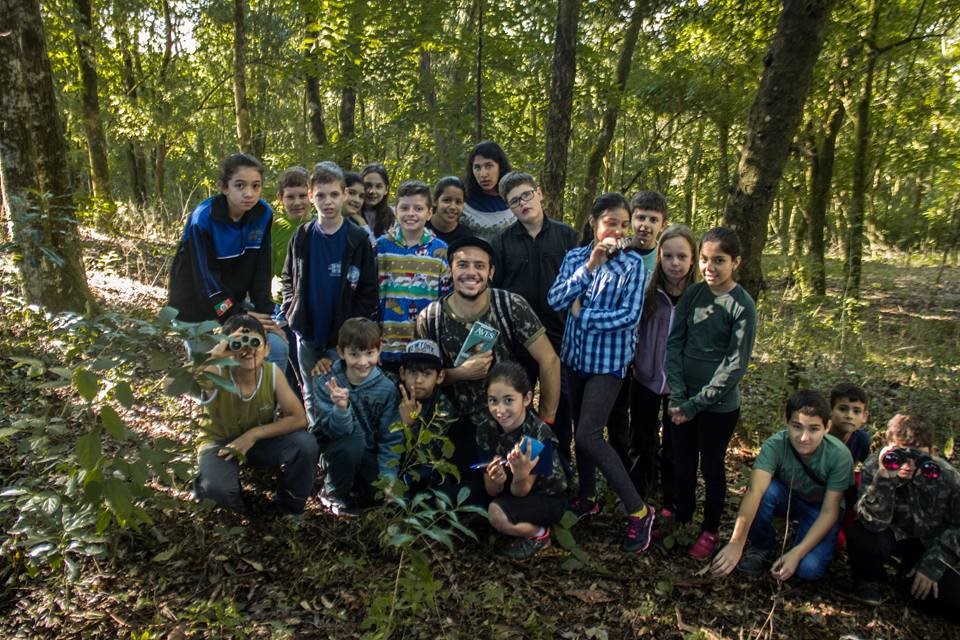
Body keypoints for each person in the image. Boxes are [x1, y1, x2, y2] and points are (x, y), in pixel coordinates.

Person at [547, 192, 654, 553]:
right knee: (580, 432)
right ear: (594, 223)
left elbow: (628, 317)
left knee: (591, 434)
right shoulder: (576, 258)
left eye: (624, 224)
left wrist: (582, 315)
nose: (619, 230)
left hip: (608, 365)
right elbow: (555, 299)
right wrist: (589, 267)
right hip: (574, 360)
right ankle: (589, 496)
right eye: (611, 221)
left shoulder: (633, 265)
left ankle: (639, 511)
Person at [415, 235, 560, 491]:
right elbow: (420, 384)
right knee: (451, 493)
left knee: (535, 489)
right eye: (462, 265)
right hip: (454, 425)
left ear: (491, 272)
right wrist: (459, 373)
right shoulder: (431, 318)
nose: (471, 272)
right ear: (450, 269)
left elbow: (549, 360)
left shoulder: (510, 305)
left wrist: (545, 419)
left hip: (507, 423)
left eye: (479, 266)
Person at [666, 227, 757, 560]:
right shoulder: (692, 295)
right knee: (683, 463)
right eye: (704, 259)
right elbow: (674, 342)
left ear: (736, 262)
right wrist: (677, 395)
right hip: (681, 401)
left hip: (717, 409)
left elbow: (735, 365)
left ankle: (709, 529)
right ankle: (683, 517)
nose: (709, 267)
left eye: (719, 261)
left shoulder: (742, 305)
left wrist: (694, 404)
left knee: (712, 467)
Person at [711, 390, 853, 581]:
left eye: (813, 429)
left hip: (819, 511)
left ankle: (800, 544)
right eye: (797, 426)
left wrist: (797, 553)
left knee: (808, 570)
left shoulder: (839, 455)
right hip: (789, 498)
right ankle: (761, 545)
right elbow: (755, 491)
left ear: (827, 427)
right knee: (767, 492)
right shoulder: (775, 446)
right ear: (786, 421)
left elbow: (830, 512)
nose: (804, 437)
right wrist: (737, 543)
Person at [167, 153, 288, 370]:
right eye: (240, 185)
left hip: (234, 301)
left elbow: (261, 269)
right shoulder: (203, 218)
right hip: (193, 305)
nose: (249, 193)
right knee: (206, 370)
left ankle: (262, 401)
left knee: (276, 347)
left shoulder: (263, 214)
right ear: (225, 188)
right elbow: (206, 282)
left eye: (256, 186)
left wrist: (265, 312)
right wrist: (239, 315)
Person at [492, 171, 579, 473]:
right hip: (520, 341)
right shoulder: (502, 242)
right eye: (515, 201)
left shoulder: (566, 236)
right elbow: (497, 291)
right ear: (509, 208)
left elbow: (583, 283)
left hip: (561, 335)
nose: (523, 203)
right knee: (519, 407)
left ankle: (561, 469)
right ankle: (523, 470)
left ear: (539, 193)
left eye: (527, 195)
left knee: (562, 407)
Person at [192, 314, 317, 516]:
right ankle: (227, 497)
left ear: (266, 348)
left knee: (305, 444)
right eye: (238, 344)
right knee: (218, 491)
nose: (247, 349)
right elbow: (171, 385)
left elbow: (299, 418)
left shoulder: (272, 373)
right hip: (220, 444)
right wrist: (216, 352)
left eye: (254, 342)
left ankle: (289, 507)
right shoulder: (215, 372)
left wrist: (253, 435)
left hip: (258, 443)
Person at [281, 162, 378, 413]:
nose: (328, 202)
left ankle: (341, 449)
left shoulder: (357, 240)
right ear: (311, 196)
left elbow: (368, 292)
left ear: (345, 194)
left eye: (334, 194)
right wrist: (291, 310)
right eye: (321, 195)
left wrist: (349, 334)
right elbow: (288, 278)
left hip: (342, 340)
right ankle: (317, 447)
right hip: (308, 334)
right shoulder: (302, 236)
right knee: (311, 396)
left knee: (340, 396)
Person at [847, 413, 960, 619]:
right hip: (887, 534)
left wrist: (932, 566)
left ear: (932, 452)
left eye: (917, 456)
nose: (908, 464)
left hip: (929, 545)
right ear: (887, 447)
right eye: (901, 454)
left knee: (952, 599)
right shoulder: (875, 466)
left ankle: (907, 582)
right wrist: (884, 479)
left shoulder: (947, 476)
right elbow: (870, 522)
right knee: (860, 532)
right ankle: (867, 579)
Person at [629, 224, 699, 529]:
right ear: (659, 256)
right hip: (644, 378)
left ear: (693, 260)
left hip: (679, 387)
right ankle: (638, 495)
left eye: (681, 256)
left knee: (675, 446)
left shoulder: (698, 297)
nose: (675, 263)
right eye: (668, 255)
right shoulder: (647, 292)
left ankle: (673, 502)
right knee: (642, 440)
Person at [309, 318, 402, 517]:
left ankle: (355, 485)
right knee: (353, 444)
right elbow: (332, 431)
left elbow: (391, 437)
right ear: (341, 352)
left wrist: (388, 476)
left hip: (367, 452)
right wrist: (341, 409)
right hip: (335, 447)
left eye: (369, 353)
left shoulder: (386, 389)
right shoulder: (326, 380)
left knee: (377, 497)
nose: (362, 362)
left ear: (379, 350)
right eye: (354, 354)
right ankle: (332, 492)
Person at [608, 190, 670, 484]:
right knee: (619, 415)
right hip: (618, 351)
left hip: (653, 356)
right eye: (640, 217)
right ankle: (621, 474)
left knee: (649, 421)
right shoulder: (618, 253)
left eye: (653, 219)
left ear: (663, 224)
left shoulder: (665, 260)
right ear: (631, 220)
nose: (645, 224)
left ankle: (650, 474)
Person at [480, 362, 568, 559]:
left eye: (509, 400)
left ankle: (539, 534)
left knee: (496, 513)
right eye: (493, 401)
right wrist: (496, 479)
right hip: (511, 490)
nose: (500, 410)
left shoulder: (538, 435)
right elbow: (491, 489)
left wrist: (520, 474)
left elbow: (522, 491)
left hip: (547, 497)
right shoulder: (485, 430)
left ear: (526, 398)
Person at [375, 180, 451, 371]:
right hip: (386, 345)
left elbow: (446, 298)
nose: (411, 213)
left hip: (424, 345)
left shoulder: (439, 250)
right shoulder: (381, 247)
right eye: (405, 208)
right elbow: (370, 294)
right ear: (396, 211)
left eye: (418, 208)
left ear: (429, 212)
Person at [394, 339, 459, 497]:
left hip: (420, 466)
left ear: (440, 376)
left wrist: (409, 424)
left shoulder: (443, 406)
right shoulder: (392, 391)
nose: (418, 380)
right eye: (413, 372)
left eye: (427, 373)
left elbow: (425, 454)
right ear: (403, 373)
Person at [460, 141, 514, 242]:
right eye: (477, 167)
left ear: (500, 167)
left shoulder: (515, 198)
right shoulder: (462, 202)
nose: (483, 174)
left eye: (489, 166)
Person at [829, 382, 871, 465]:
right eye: (842, 409)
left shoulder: (863, 442)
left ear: (864, 417)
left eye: (856, 411)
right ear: (830, 410)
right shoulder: (818, 437)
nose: (849, 416)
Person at [427, 176, 473, 246]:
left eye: (458, 202)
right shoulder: (421, 227)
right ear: (435, 201)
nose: (453, 207)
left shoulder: (466, 236)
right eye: (447, 200)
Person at [361, 163, 395, 238]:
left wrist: (362, 223)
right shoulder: (348, 215)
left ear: (386, 190)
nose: (372, 191)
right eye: (367, 186)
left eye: (378, 186)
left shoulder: (394, 217)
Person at [343, 171, 375, 244]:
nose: (357, 200)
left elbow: (372, 250)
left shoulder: (357, 227)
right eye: (351, 193)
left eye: (361, 196)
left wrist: (362, 222)